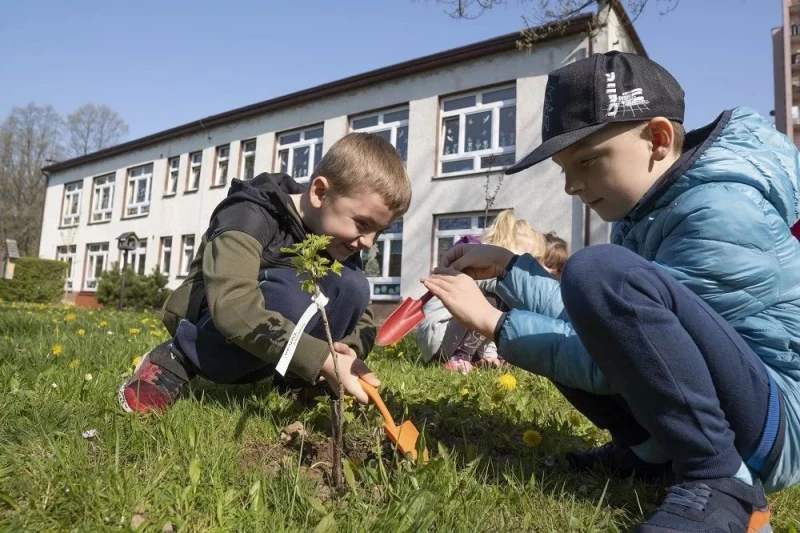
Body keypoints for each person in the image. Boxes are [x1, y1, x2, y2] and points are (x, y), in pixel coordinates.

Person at [422, 51, 800, 532]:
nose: (571, 186)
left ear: (658, 139)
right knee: (594, 282)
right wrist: (512, 270)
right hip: (732, 409)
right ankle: (648, 454)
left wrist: (494, 323)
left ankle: (726, 485)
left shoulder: (719, 211)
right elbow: (620, 331)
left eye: (588, 161)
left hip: (775, 425)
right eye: (563, 169)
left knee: (596, 271)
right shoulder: (644, 210)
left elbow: (633, 357)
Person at [119, 133, 412, 413]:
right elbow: (232, 304)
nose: (369, 242)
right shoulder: (251, 212)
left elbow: (364, 316)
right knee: (292, 295)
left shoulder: (338, 236)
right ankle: (175, 360)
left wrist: (345, 352)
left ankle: (298, 380)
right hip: (210, 315)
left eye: (380, 231)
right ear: (320, 192)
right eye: (362, 224)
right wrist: (321, 357)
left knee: (353, 285)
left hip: (273, 340)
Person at [416, 210, 547, 373]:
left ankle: (485, 357)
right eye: (528, 262)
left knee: (502, 305)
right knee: (493, 301)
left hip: (450, 334)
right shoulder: (478, 264)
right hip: (440, 335)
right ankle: (460, 357)